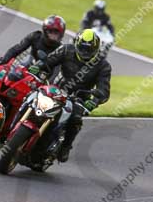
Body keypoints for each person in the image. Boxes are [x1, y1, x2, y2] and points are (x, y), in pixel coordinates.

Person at [29, 29, 111, 163]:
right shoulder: (66, 50)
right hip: (55, 89)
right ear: (77, 44)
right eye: (82, 48)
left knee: (76, 118)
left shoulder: (103, 66)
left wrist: (94, 101)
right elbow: (49, 60)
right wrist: (38, 66)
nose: (85, 53)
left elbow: (104, 90)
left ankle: (65, 146)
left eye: (89, 50)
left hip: (79, 98)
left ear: (96, 50)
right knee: (30, 96)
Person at [0, 15, 66, 67]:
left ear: (61, 34)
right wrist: (3, 61)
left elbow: (57, 71)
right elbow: (17, 48)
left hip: (44, 78)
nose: (53, 35)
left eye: (56, 32)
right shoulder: (35, 36)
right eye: (50, 31)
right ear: (45, 31)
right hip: (28, 65)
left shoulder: (61, 50)